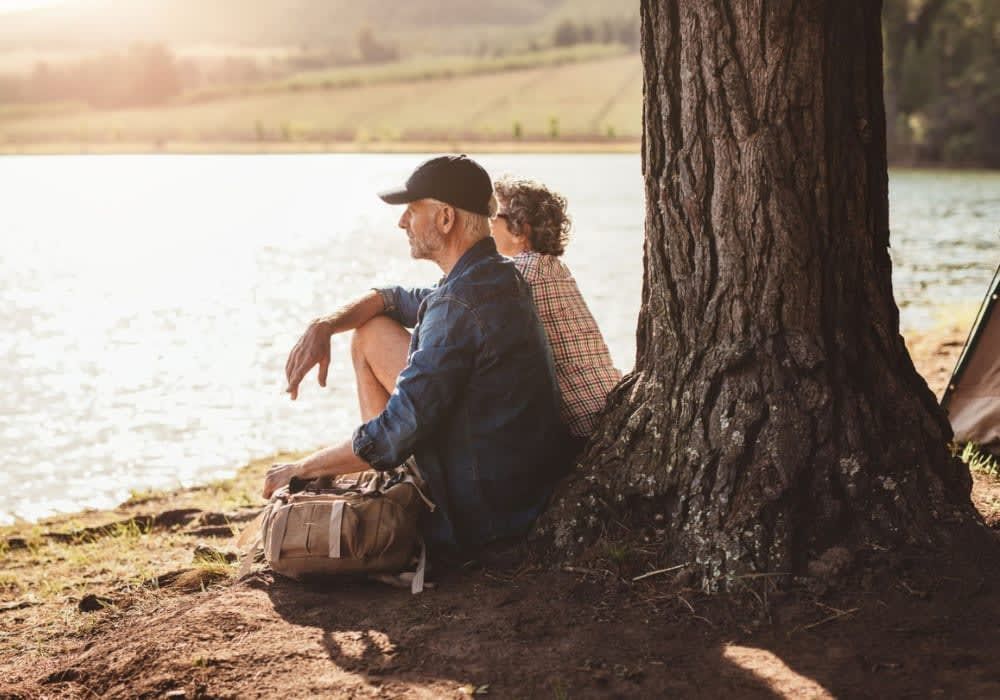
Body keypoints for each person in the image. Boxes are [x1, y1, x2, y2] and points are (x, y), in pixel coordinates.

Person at [263, 155, 572, 556]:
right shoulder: (495, 277)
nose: (402, 222)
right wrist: (324, 326)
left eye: (411, 211)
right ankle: (388, 481)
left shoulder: (460, 305)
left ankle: (388, 488)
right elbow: (392, 299)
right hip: (515, 493)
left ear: (445, 218)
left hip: (482, 516)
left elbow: (395, 432)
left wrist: (301, 469)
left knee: (383, 429)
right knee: (370, 328)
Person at [491, 176, 622, 446]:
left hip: (582, 424)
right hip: (607, 402)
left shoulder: (521, 273)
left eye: (492, 215)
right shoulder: (553, 269)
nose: (486, 223)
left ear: (519, 231)